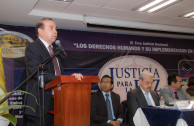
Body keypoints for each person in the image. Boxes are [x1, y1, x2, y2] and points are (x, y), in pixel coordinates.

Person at [23, 18, 83, 126]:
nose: (56, 31)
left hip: (56, 103)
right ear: (40, 31)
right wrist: (61, 78)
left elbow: (58, 75)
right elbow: (37, 73)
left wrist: (70, 78)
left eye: (56, 28)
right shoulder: (33, 47)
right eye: (51, 28)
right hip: (39, 104)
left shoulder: (54, 51)